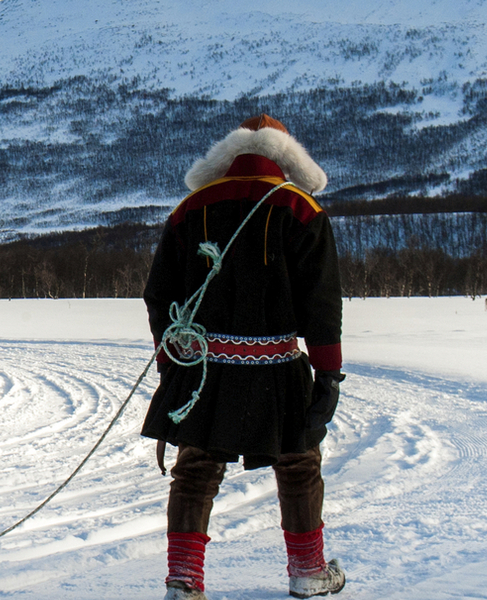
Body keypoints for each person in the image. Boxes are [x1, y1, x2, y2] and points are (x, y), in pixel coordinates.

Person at [141, 114, 347, 599]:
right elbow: (322, 304)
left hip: (202, 369)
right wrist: (329, 373)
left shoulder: (190, 208)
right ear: (285, 156)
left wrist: (172, 362)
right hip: (278, 367)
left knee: (194, 471)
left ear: (230, 155)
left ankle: (184, 582)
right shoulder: (300, 207)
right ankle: (308, 572)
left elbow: (159, 295)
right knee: (298, 465)